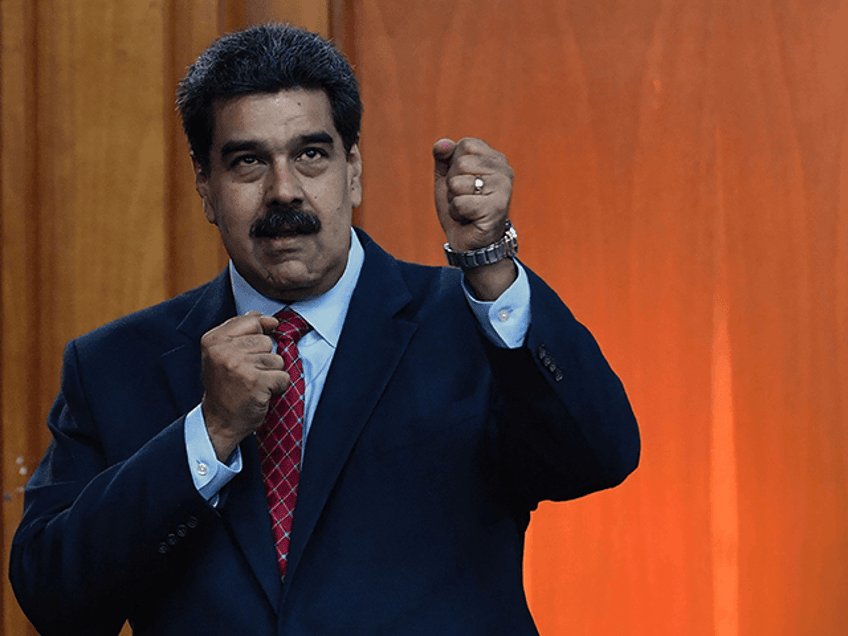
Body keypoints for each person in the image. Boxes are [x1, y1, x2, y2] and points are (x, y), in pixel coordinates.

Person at [9, 23, 639, 636]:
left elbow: (599, 456)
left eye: (310, 154)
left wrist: (493, 266)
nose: (284, 191)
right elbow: (55, 597)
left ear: (353, 168)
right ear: (205, 186)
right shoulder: (114, 364)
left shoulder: (476, 321)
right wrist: (208, 434)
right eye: (248, 162)